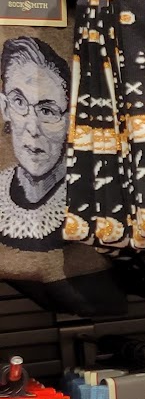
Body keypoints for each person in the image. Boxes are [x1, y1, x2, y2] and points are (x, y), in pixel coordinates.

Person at [0, 35, 69, 249]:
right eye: (19, 102)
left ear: (70, 120)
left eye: (47, 111)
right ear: (5, 108)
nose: (32, 128)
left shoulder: (91, 199)